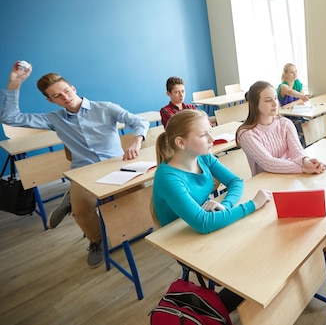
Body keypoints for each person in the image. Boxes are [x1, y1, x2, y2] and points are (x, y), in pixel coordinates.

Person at [0, 61, 149, 268]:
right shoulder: (54, 119)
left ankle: (74, 198)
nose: (65, 97)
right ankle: (95, 240)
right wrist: (14, 83)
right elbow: (10, 118)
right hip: (84, 173)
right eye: (57, 96)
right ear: (50, 100)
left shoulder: (105, 107)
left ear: (73, 88)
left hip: (116, 165)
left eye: (66, 91)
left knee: (139, 199)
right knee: (81, 211)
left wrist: (136, 140)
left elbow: (140, 122)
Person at [152, 109, 272, 312]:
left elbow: (235, 181)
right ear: (181, 143)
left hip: (205, 226)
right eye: (203, 134)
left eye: (210, 130)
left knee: (261, 248)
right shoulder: (168, 176)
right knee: (252, 264)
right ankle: (212, 311)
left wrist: (224, 206)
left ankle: (243, 302)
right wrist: (252, 205)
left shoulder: (203, 158)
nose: (211, 138)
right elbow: (203, 223)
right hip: (182, 240)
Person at [236, 81, 326, 176]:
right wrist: (302, 169)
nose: (275, 104)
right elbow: (268, 163)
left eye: (275, 98)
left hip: (290, 176)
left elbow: (297, 151)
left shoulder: (285, 123)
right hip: (266, 183)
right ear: (254, 104)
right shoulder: (247, 134)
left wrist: (306, 161)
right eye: (268, 100)